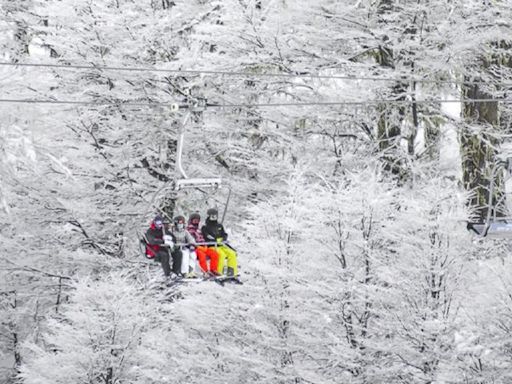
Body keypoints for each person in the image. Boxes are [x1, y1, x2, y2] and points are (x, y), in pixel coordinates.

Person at [201, 208, 238, 277]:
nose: (214, 217)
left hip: (221, 245)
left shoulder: (219, 226)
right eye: (212, 215)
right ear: (209, 216)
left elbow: (224, 234)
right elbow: (207, 237)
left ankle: (232, 273)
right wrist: (216, 240)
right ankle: (218, 272)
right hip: (212, 246)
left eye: (215, 215)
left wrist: (223, 238)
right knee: (221, 255)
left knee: (232, 253)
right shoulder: (205, 227)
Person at [145, 215, 182, 280]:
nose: (159, 225)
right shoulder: (150, 231)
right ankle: (168, 273)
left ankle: (176, 271)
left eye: (160, 223)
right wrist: (162, 241)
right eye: (158, 223)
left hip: (164, 248)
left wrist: (170, 239)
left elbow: (173, 237)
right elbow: (151, 241)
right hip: (154, 250)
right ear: (154, 222)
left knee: (178, 253)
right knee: (164, 255)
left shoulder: (163, 230)